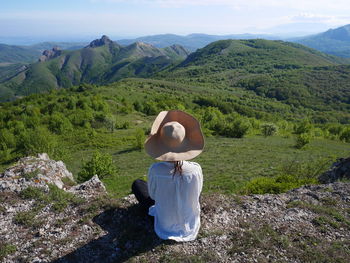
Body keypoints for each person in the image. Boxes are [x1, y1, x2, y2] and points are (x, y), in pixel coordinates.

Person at [131, 110, 204, 242]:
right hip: (189, 223)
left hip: (165, 224)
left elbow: (153, 196)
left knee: (138, 184)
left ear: (160, 144)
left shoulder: (155, 170)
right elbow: (198, 193)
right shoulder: (195, 169)